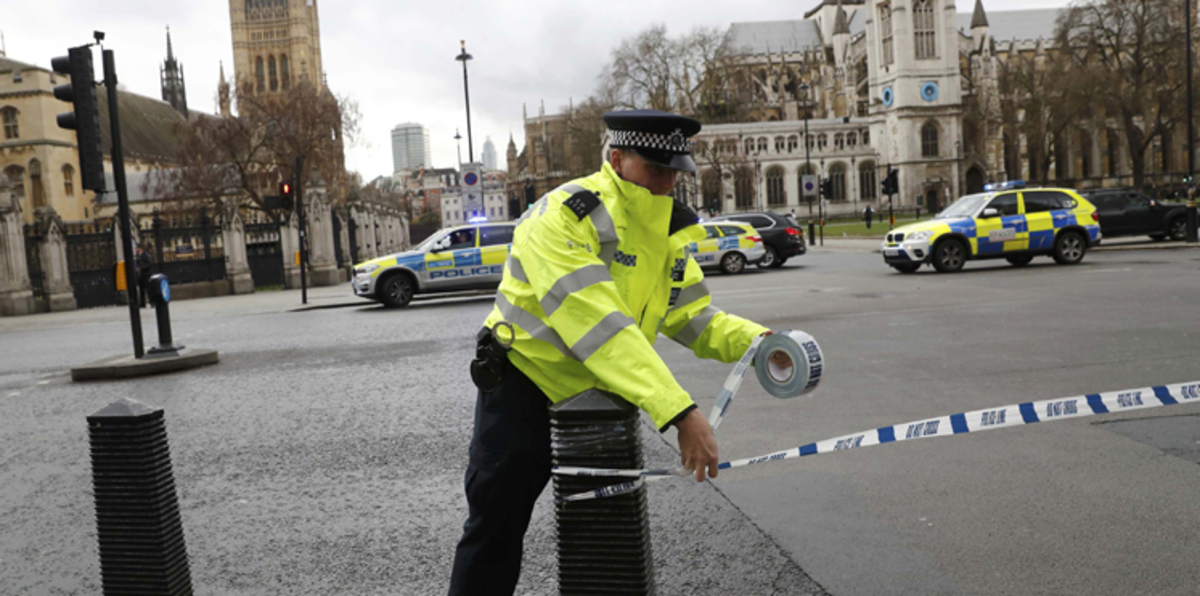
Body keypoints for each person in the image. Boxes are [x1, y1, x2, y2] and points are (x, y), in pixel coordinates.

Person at [447, 109, 792, 595]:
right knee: (494, 532)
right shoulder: (564, 214)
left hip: (597, 404)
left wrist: (762, 343)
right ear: (617, 158)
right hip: (524, 389)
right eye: (656, 169)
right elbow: (601, 327)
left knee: (604, 542)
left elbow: (695, 317)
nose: (668, 183)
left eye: (675, 172)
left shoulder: (664, 232)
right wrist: (680, 412)